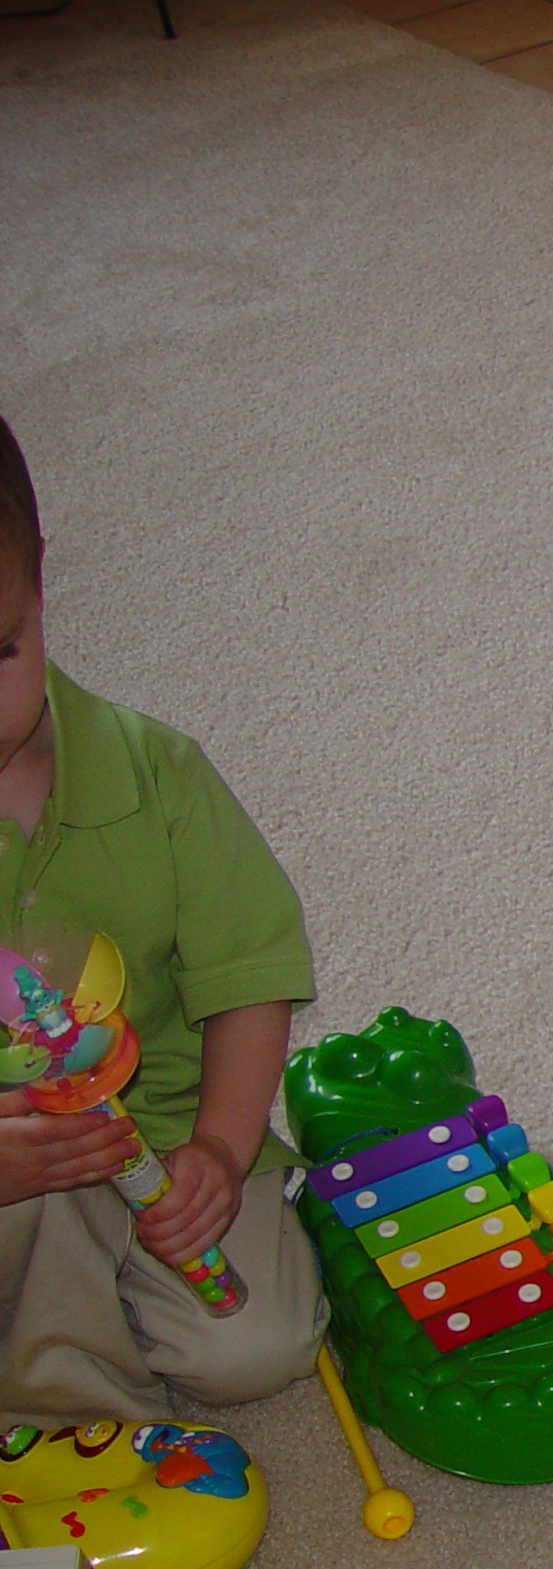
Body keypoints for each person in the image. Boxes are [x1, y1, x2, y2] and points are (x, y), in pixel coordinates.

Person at [0, 413, 325, 1430]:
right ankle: (69, 1423)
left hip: (169, 1127)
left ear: (40, 584)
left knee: (257, 1346)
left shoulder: (156, 771)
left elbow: (249, 977)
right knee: (48, 1324)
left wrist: (221, 1156)